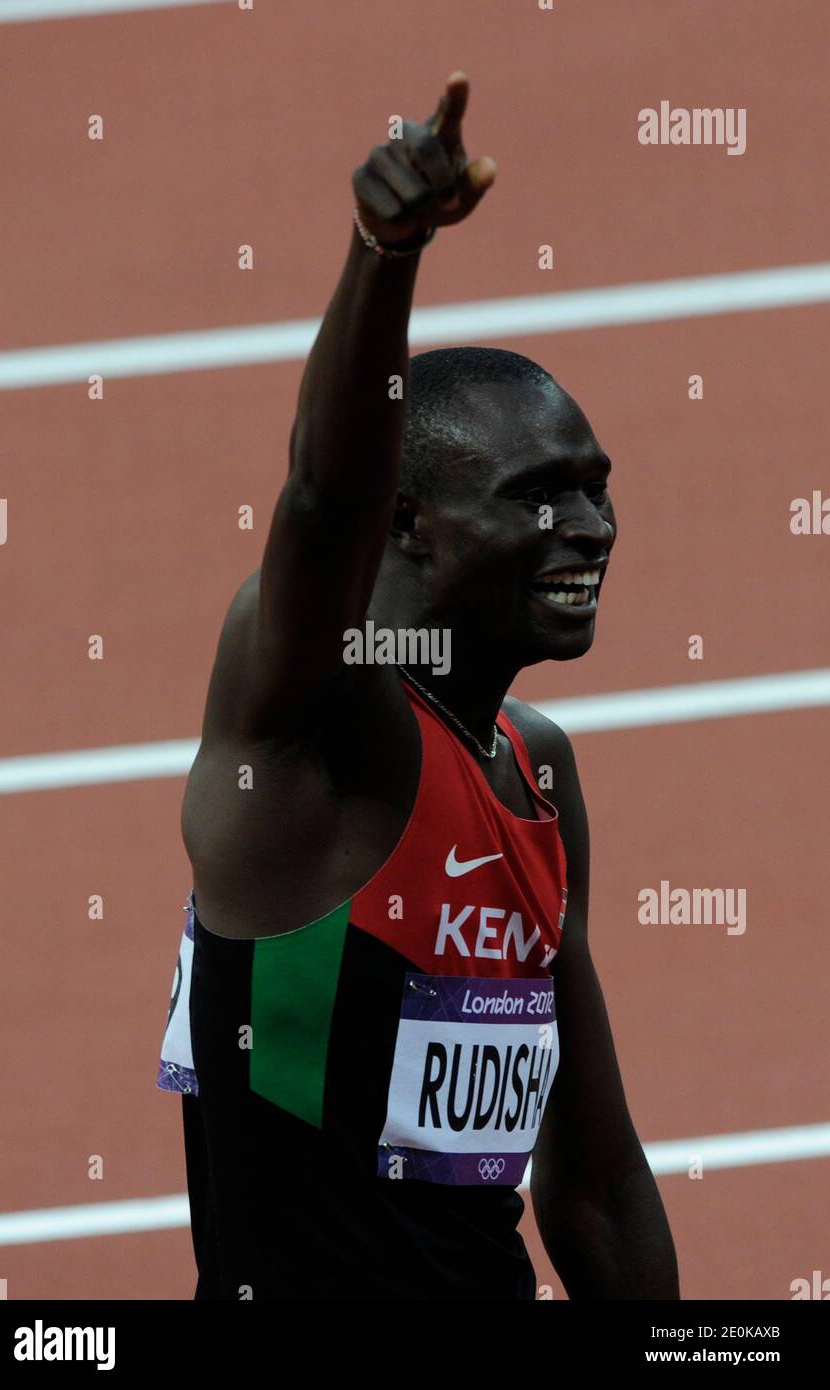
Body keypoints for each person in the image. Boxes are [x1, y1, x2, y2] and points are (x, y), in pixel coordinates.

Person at [157, 71, 679, 1301]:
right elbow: (319, 500)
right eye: (539, 496)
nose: (589, 525)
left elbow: (593, 1178)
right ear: (408, 524)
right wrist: (384, 253)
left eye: (596, 486)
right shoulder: (315, 737)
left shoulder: (532, 768)